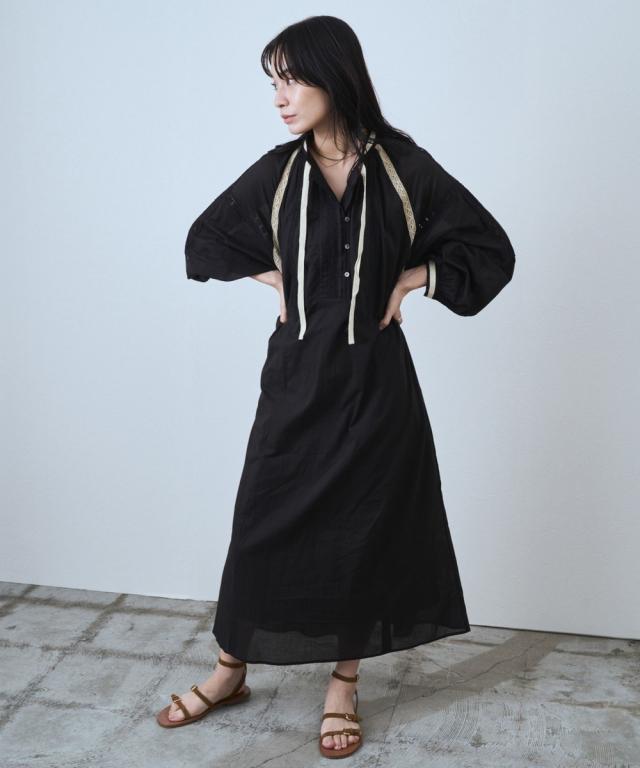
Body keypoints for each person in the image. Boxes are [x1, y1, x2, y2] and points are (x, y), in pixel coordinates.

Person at [156, 15, 516, 759]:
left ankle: (343, 686)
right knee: (261, 523)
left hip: (376, 387)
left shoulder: (404, 169)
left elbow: (490, 251)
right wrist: (275, 276)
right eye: (273, 83)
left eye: (292, 80)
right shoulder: (277, 173)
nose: (279, 98)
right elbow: (204, 240)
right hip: (294, 380)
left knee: (361, 532)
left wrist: (415, 277)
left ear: (334, 75)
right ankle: (230, 670)